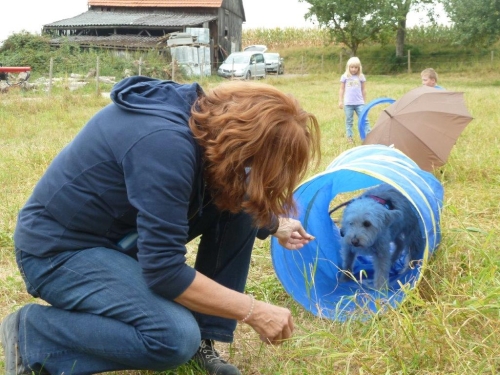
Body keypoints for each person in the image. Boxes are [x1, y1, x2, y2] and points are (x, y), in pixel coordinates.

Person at [0, 77, 321, 375]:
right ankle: (34, 335)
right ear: (245, 144)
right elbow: (164, 271)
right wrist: (252, 310)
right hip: (58, 251)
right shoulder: (164, 144)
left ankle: (202, 341)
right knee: (172, 337)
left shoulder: (205, 126)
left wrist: (274, 224)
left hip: (117, 239)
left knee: (238, 205)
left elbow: (231, 191)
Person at [338, 56, 370, 143]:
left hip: (359, 103)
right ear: (348, 67)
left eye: (356, 67)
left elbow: (363, 90)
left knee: (364, 119)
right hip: (348, 103)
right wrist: (340, 101)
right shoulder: (345, 77)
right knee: (349, 120)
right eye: (352, 67)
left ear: (359, 68)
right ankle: (349, 137)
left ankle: (368, 135)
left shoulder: (361, 77)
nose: (354, 69)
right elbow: (341, 89)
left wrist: (364, 101)